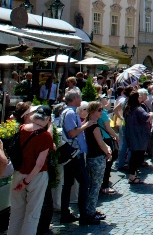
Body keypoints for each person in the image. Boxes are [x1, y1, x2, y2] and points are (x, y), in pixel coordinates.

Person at [8, 105, 55, 235]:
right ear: (48, 119)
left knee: (16, 211)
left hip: (18, 173)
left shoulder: (22, 128)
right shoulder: (46, 136)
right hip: (36, 177)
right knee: (32, 213)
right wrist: (27, 181)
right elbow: (39, 164)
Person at [60, 90, 97, 225]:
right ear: (74, 98)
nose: (81, 98)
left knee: (68, 184)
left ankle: (65, 214)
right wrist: (86, 125)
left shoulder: (68, 111)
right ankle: (84, 215)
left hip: (72, 152)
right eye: (79, 96)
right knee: (84, 182)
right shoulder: (70, 113)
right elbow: (71, 133)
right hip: (74, 153)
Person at [125, 91, 151, 185]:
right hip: (139, 135)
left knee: (134, 154)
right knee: (138, 155)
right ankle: (132, 176)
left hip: (131, 133)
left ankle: (133, 175)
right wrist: (151, 114)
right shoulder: (138, 109)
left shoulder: (128, 108)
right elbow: (146, 117)